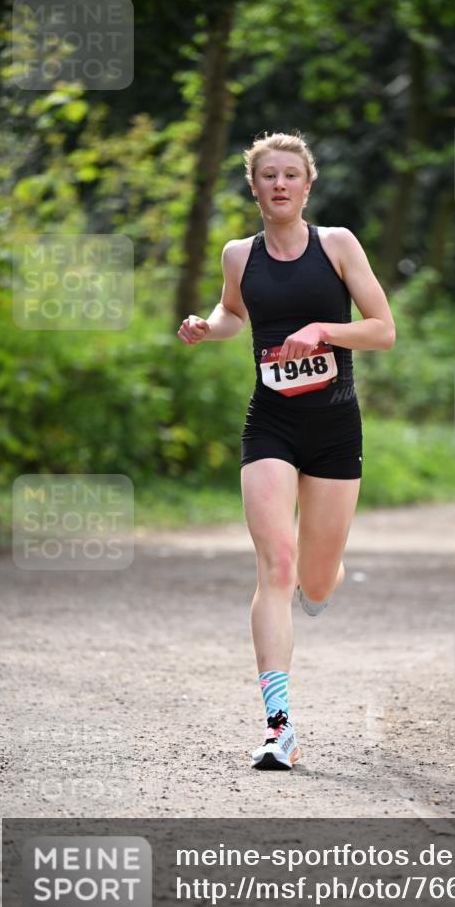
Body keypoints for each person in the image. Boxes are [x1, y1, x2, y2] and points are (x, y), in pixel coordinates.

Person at [177, 131, 395, 770]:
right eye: (267, 175)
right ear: (253, 186)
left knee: (316, 579)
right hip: (269, 423)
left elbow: (383, 329)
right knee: (276, 564)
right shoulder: (238, 255)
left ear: (307, 184)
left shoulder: (337, 245)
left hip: (334, 429)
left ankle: (324, 577)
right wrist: (205, 326)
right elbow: (233, 313)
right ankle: (279, 727)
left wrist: (323, 329)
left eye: (290, 176)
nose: (279, 185)